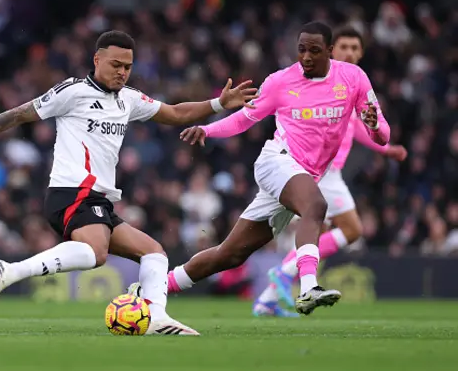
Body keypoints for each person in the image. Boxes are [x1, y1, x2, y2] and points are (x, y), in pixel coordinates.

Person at [0, 30, 257, 335]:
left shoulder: (128, 100)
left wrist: (216, 104)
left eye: (128, 67)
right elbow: (18, 114)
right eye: (115, 65)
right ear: (96, 60)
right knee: (96, 253)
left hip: (99, 200)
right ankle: (12, 270)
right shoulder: (73, 92)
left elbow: (175, 113)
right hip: (72, 192)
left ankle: (156, 315)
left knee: (154, 254)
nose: (122, 72)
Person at [128, 22, 391, 316]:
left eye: (314, 51)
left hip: (302, 175)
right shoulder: (281, 81)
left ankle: (152, 289)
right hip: (277, 161)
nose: (306, 56)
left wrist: (373, 125)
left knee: (230, 254)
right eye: (301, 49)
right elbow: (243, 120)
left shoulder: (353, 78)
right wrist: (207, 130)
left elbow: (382, 134)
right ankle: (307, 289)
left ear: (330, 51)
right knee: (316, 205)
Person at [254, 27, 408, 316]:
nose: (349, 53)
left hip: (324, 170)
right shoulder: (330, 83)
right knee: (351, 229)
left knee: (319, 234)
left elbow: (360, 129)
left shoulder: (351, 84)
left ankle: (269, 297)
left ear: (361, 52)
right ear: (332, 51)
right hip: (318, 171)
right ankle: (286, 273)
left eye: (355, 48)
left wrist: (386, 149)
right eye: (344, 47)